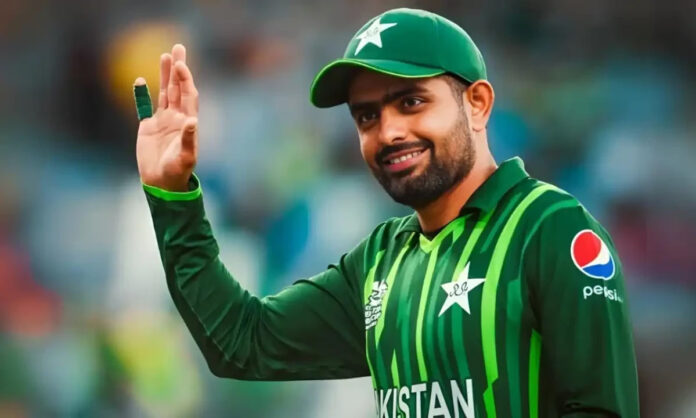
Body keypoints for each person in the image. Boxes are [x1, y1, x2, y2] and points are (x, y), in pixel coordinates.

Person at [133, 8, 639, 417]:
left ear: (478, 104)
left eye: (411, 102)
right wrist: (172, 195)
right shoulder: (381, 259)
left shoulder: (550, 228)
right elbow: (242, 343)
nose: (389, 132)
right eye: (367, 116)